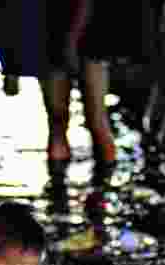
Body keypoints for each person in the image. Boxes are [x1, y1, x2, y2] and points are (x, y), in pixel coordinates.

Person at [42, 0, 118, 183]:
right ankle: (61, 189)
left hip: (91, 35)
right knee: (58, 117)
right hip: (54, 31)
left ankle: (103, 187)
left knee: (95, 120)